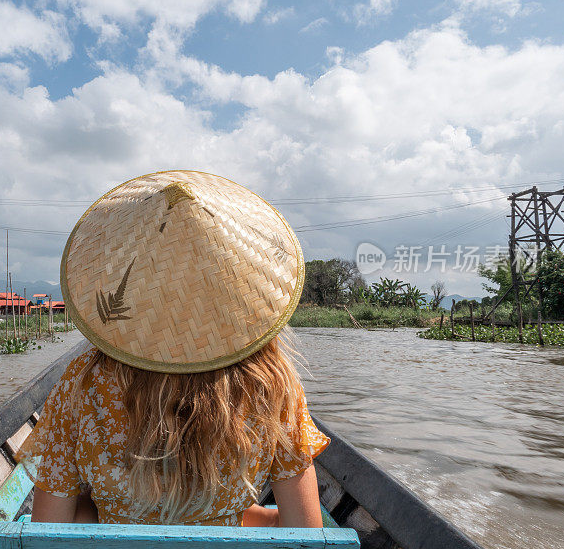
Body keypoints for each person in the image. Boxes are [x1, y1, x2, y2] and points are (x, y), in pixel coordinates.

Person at [16, 170, 330, 527]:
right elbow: (305, 533)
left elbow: (50, 530)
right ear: (241, 297)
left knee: (84, 507)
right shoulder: (272, 385)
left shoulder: (83, 383)